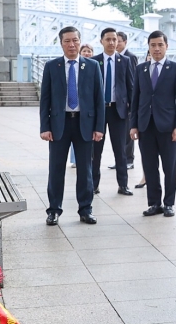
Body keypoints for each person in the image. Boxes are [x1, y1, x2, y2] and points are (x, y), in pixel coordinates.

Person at [40, 26, 104, 225]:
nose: (72, 44)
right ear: (61, 43)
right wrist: (44, 127)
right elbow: (45, 99)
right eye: (67, 41)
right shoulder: (52, 66)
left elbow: (99, 99)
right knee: (56, 169)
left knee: (85, 170)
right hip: (59, 124)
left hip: (85, 124)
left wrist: (99, 127)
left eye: (75, 40)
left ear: (80, 41)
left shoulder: (92, 66)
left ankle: (85, 209)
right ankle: (54, 210)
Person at [131, 31, 176, 216]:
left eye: (160, 45)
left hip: (168, 126)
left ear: (166, 46)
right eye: (153, 45)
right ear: (148, 47)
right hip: (145, 125)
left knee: (169, 166)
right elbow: (136, 99)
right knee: (149, 166)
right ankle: (154, 203)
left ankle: (169, 203)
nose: (156, 48)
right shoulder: (141, 69)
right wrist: (133, 125)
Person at [92, 27, 135, 197]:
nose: (111, 42)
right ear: (101, 41)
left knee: (120, 151)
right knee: (95, 151)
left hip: (118, 111)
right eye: (108, 39)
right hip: (98, 111)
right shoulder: (94, 62)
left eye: (114, 39)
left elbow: (131, 87)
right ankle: (93, 185)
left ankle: (123, 185)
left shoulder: (125, 61)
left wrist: (131, 112)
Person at [117, 30, 138, 169]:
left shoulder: (131, 57)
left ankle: (129, 160)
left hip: (127, 101)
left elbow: (133, 80)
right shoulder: (115, 57)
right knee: (119, 134)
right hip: (118, 102)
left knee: (128, 132)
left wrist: (132, 100)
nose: (116, 44)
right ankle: (121, 160)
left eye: (119, 41)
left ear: (125, 42)